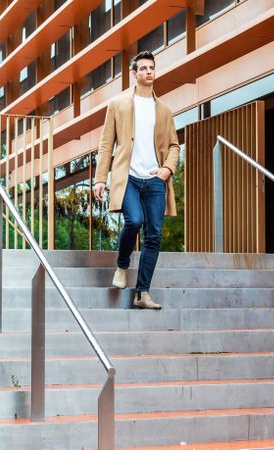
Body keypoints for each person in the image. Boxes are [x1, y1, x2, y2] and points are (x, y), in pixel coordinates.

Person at [93, 50, 180, 310]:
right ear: (134, 74)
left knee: (154, 235)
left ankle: (142, 293)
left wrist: (167, 170)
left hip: (154, 180)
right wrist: (100, 179)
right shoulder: (118, 104)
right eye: (142, 68)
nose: (148, 72)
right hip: (128, 177)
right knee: (134, 221)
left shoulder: (163, 110)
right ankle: (122, 265)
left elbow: (174, 145)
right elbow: (106, 144)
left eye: (151, 67)